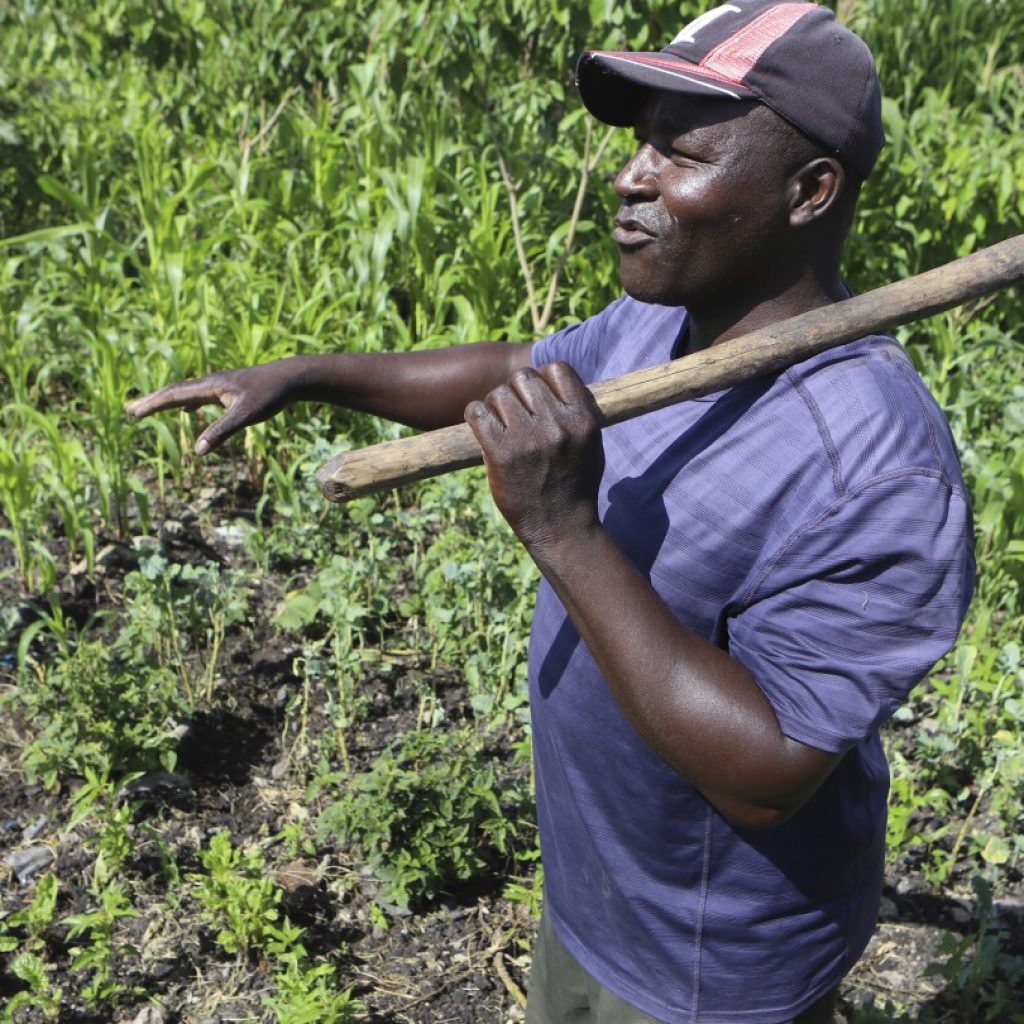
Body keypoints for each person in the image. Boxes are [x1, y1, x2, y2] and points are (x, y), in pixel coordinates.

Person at [127, 2, 975, 1021]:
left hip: (707, 960)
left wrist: (563, 530)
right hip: (599, 889)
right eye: (637, 144)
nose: (631, 176)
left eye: (681, 152)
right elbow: (522, 369)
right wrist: (312, 373)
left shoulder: (874, 466)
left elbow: (766, 771)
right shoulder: (664, 321)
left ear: (809, 191)